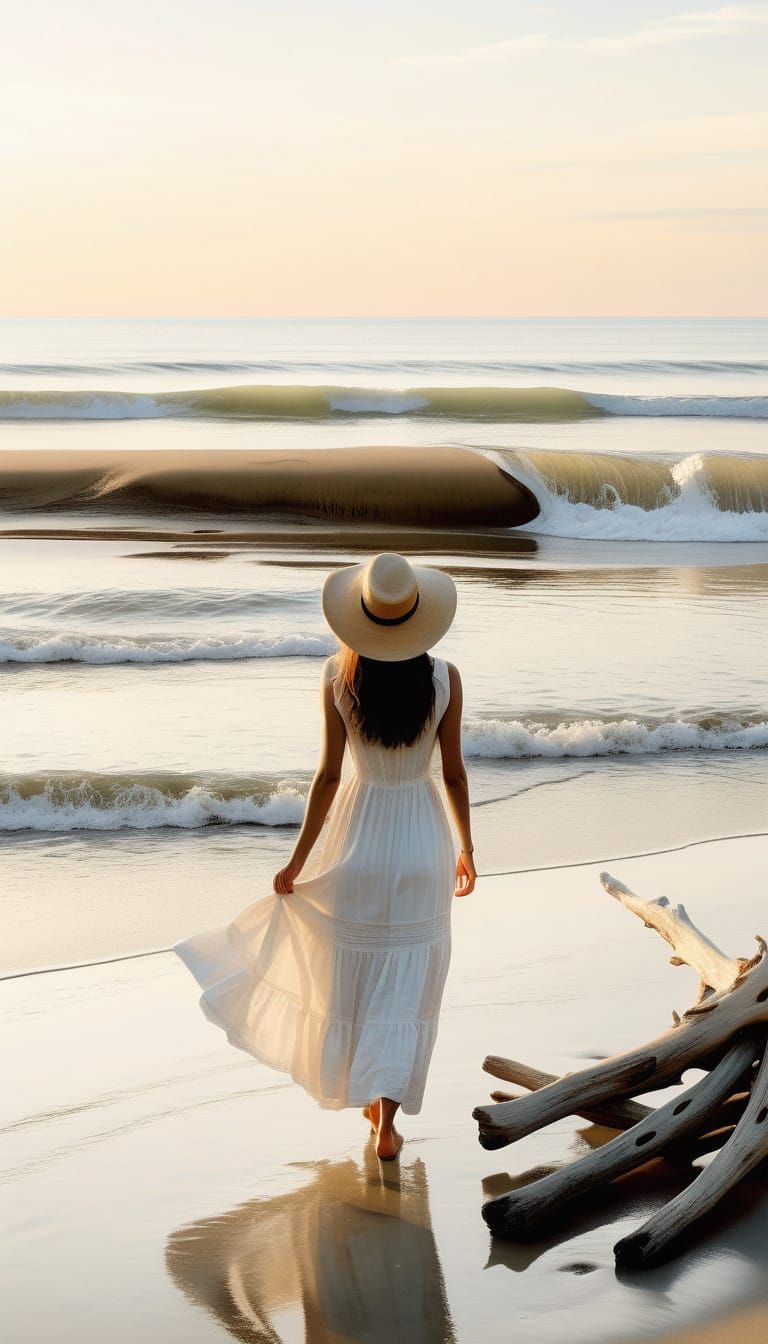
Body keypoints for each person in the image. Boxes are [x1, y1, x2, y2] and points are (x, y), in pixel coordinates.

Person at [174, 552, 476, 1161]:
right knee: (407, 979)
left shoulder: (339, 677)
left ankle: (367, 1093)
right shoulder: (445, 677)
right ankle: (387, 1120)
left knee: (350, 969)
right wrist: (467, 847)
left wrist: (297, 862)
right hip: (423, 841)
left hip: (359, 836)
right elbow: (454, 774)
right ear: (419, 617)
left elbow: (327, 779)